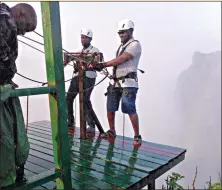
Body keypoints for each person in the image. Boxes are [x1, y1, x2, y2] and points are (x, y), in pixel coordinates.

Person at [88, 19, 142, 146]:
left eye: (123, 32)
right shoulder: (122, 46)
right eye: (120, 33)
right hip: (116, 82)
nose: (121, 35)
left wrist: (103, 65)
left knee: (129, 107)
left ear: (131, 31)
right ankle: (112, 131)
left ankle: (137, 136)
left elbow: (122, 59)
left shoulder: (135, 45)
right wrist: (100, 66)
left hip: (128, 83)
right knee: (110, 107)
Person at [0, 2, 37, 188]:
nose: (21, 34)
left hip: (5, 87)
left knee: (14, 136)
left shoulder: (6, 20)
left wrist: (7, 79)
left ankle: (14, 172)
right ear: (20, 13)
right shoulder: (4, 18)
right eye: (24, 30)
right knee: (7, 140)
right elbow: (2, 55)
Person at [66, 29, 104, 134]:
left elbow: (100, 64)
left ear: (90, 39)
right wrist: (67, 60)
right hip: (78, 76)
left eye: (85, 38)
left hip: (89, 77)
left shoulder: (95, 51)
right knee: (68, 97)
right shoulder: (79, 52)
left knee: (85, 100)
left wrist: (93, 64)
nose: (83, 40)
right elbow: (68, 59)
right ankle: (70, 122)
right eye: (82, 37)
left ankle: (91, 125)